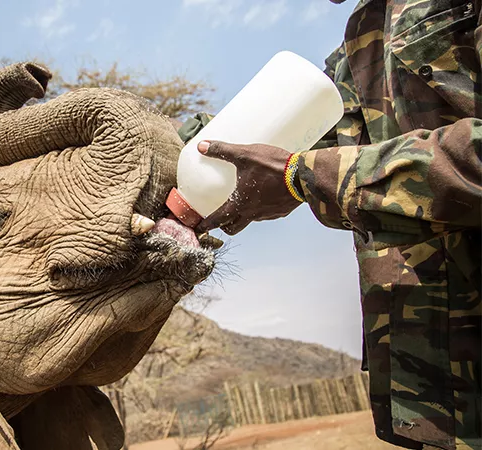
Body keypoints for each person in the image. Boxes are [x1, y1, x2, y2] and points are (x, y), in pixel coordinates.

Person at [178, 1, 482, 449]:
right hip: (431, 378)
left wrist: (304, 176)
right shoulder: (364, 28)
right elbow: (307, 144)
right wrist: (167, 141)